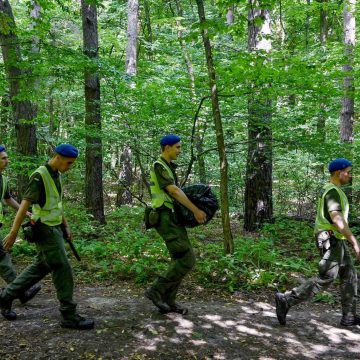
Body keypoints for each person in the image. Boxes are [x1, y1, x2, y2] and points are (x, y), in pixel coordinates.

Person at [0, 144, 94, 329]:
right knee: (62, 267)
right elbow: (25, 206)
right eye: (68, 163)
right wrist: (13, 233)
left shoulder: (56, 174)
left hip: (55, 228)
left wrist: (65, 225)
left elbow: (56, 204)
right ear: (57, 157)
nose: (69, 167)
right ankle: (68, 314)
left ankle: (6, 296)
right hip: (43, 229)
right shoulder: (39, 175)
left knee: (42, 266)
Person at [275, 158, 360, 327]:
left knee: (349, 274)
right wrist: (355, 242)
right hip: (330, 238)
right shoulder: (332, 191)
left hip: (336, 239)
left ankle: (349, 316)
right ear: (338, 172)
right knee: (327, 277)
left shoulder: (336, 191)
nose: (350, 176)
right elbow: (337, 219)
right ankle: (286, 299)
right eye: (348, 172)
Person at [145, 134, 207, 314]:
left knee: (179, 259)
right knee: (187, 259)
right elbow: (173, 191)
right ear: (167, 148)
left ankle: (169, 300)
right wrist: (195, 210)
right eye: (178, 147)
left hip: (171, 217)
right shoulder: (159, 165)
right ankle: (156, 290)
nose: (180, 151)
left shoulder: (168, 166)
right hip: (165, 217)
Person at [0, 146, 41, 317]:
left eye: (6, 158)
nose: (7, 161)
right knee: (2, 257)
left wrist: (25, 212)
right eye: (3, 158)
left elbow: (7, 198)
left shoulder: (3, 179)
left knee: (2, 257)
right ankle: (18, 292)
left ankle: (18, 291)